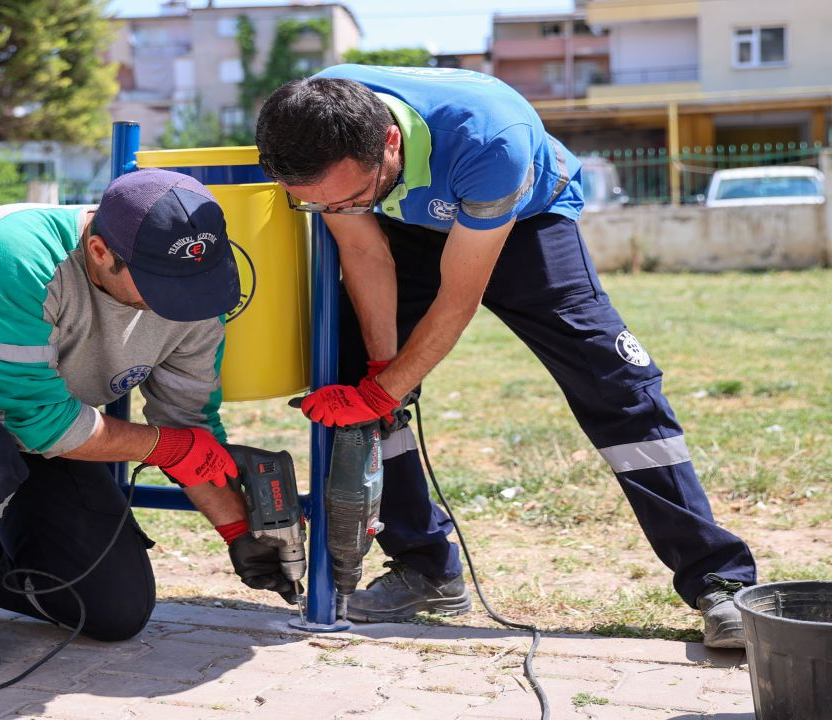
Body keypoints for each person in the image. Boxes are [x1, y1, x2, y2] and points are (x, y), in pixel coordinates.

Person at [254, 65, 757, 648]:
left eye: (349, 196)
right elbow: (365, 252)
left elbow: (457, 302)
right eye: (317, 205)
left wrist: (384, 391)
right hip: (407, 224)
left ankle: (719, 578)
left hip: (523, 218)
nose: (336, 207)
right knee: (354, 373)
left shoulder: (491, 139)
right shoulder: (314, 119)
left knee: (616, 384)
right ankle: (425, 567)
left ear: (389, 141)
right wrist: (378, 380)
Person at [0, 169, 296, 672]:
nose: (178, 307)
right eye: (160, 287)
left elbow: (187, 427)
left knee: (114, 611)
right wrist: (166, 447)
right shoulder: (10, 252)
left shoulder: (194, 294)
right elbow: (41, 422)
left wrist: (238, 529)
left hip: (41, 432)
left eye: (193, 286)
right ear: (100, 251)